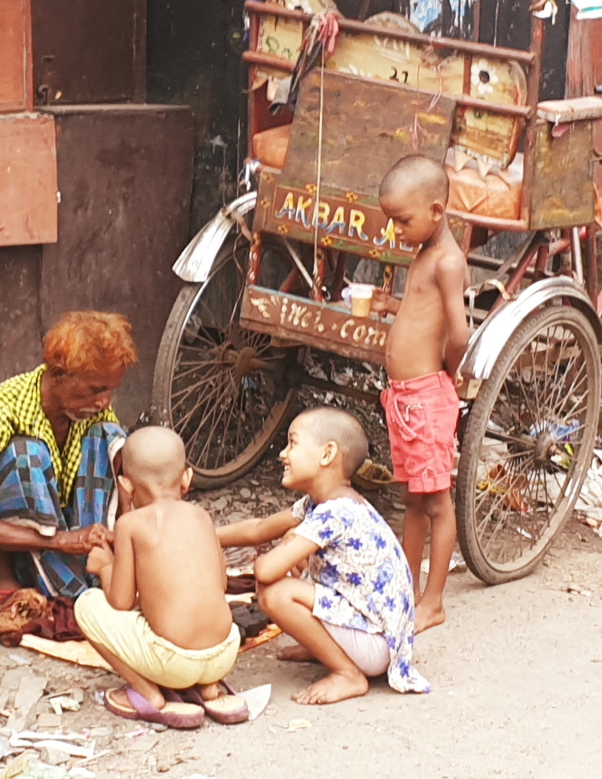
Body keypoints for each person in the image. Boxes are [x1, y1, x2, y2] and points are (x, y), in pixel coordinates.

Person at [218, 407, 429, 705]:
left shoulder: (335, 512)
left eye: (292, 443)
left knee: (275, 592)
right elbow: (259, 528)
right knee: (295, 549)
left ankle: (347, 673)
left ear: (327, 454)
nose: (282, 454)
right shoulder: (322, 503)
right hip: (378, 634)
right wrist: (206, 534)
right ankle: (323, 647)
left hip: (377, 645)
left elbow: (265, 572)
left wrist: (286, 545)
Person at [0, 311, 136, 609]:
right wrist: (59, 541)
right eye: (96, 389)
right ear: (58, 375)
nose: (105, 401)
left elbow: (118, 477)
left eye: (111, 390)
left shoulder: (94, 411)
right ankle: (0, 577)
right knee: (26, 454)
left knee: (109, 437)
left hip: (52, 532)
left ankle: (88, 566)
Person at [77, 426, 246, 729]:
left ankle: (148, 695)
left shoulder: (129, 524)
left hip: (173, 663)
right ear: (187, 478)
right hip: (225, 652)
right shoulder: (202, 516)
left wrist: (105, 565)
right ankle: (209, 688)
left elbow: (121, 602)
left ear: (125, 485)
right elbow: (221, 585)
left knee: (87, 605)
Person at [375, 155, 469, 632]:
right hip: (405, 399)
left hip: (427, 398)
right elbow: (422, 313)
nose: (397, 231)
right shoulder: (424, 254)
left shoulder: (448, 262)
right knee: (412, 499)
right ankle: (408, 589)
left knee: (437, 502)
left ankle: (433, 600)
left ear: (436, 211)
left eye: (403, 221)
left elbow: (458, 332)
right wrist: (391, 305)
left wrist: (445, 376)